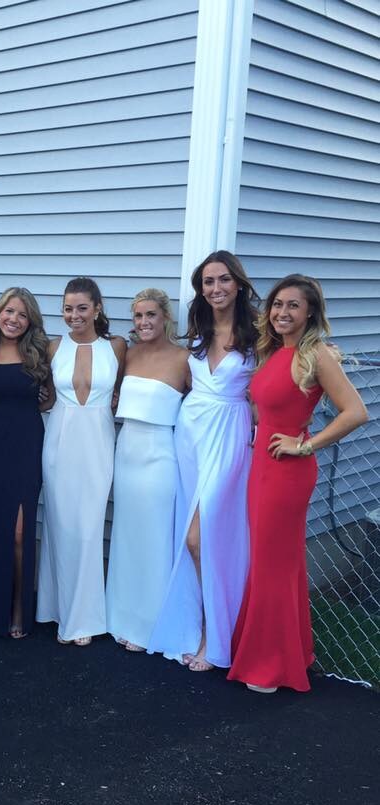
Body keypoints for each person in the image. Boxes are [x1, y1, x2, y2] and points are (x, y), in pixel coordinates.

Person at [228, 275, 367, 693]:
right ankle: (289, 653)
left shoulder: (316, 354)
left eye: (293, 305)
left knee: (274, 566)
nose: (282, 312)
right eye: (277, 304)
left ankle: (270, 666)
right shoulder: (274, 351)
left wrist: (305, 444)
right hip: (262, 467)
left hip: (287, 472)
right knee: (275, 564)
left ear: (310, 313)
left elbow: (355, 412)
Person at [148, 251, 259, 671]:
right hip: (190, 433)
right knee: (191, 533)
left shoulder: (258, 335)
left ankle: (216, 633)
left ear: (239, 284)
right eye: (208, 282)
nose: (216, 288)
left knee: (203, 536)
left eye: (224, 279)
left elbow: (273, 382)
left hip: (230, 435)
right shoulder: (198, 332)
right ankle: (197, 625)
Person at [36, 277, 126, 645]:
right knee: (60, 526)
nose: (74, 315)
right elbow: (45, 397)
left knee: (89, 528)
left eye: (82, 308)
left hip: (98, 442)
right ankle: (60, 611)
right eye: (68, 309)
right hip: (59, 441)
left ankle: (84, 618)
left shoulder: (117, 347)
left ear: (97, 308)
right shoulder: (53, 347)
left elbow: (124, 390)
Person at [105, 289, 189, 652]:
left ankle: (150, 625)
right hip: (126, 450)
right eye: (138, 316)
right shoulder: (128, 354)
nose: (144, 322)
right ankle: (120, 617)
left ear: (165, 317)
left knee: (155, 538)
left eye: (151, 315)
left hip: (160, 454)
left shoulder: (184, 359)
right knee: (127, 535)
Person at [0, 287, 53, 639]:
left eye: (22, 314)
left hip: (26, 444)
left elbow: (49, 400)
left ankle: (20, 606)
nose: (14, 319)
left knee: (20, 531)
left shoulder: (40, 351)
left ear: (30, 320)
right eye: (9, 312)